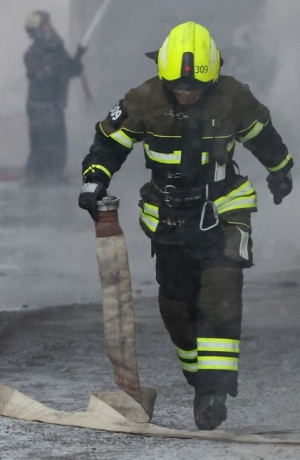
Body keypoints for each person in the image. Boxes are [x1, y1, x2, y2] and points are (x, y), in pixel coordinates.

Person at [78, 22, 293, 430]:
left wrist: (281, 171)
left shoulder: (232, 96)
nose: (188, 93)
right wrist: (94, 180)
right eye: (178, 86)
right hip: (169, 214)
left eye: (196, 87)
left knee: (221, 289)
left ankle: (211, 392)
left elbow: (263, 136)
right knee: (175, 305)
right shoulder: (142, 100)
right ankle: (198, 375)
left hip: (224, 207)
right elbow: (109, 142)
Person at [23, 10, 85, 186]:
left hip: (54, 106)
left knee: (58, 146)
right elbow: (47, 76)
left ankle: (53, 177)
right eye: (46, 25)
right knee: (42, 147)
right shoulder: (33, 53)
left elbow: (70, 71)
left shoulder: (57, 50)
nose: (51, 27)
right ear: (39, 30)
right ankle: (34, 179)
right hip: (41, 106)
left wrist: (77, 58)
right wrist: (63, 64)